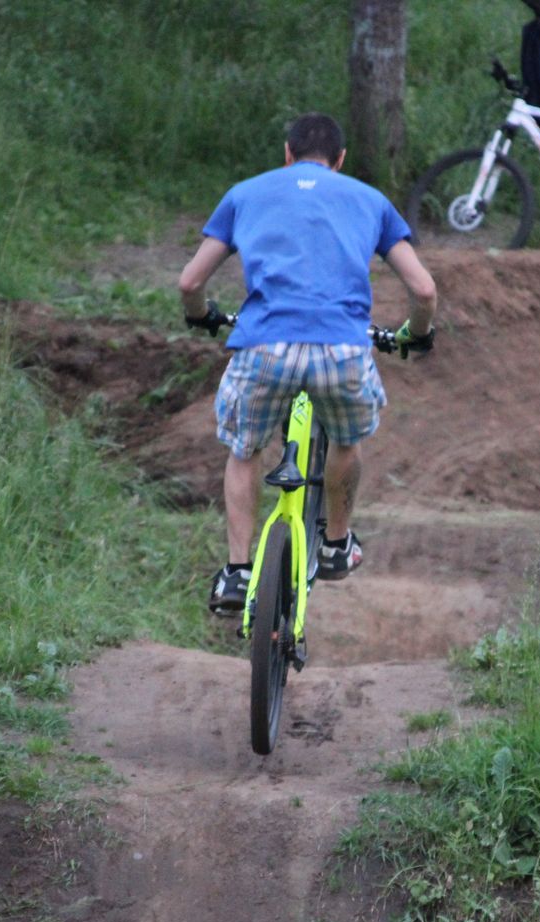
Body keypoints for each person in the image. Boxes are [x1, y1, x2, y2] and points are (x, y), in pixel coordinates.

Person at [179, 112, 438, 617]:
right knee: (346, 439)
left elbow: (190, 283)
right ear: (339, 161)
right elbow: (424, 290)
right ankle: (337, 544)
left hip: (264, 348)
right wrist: (416, 334)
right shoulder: (370, 200)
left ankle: (236, 572)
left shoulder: (246, 193)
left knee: (245, 450)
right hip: (341, 351)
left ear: (287, 153)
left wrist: (203, 317)